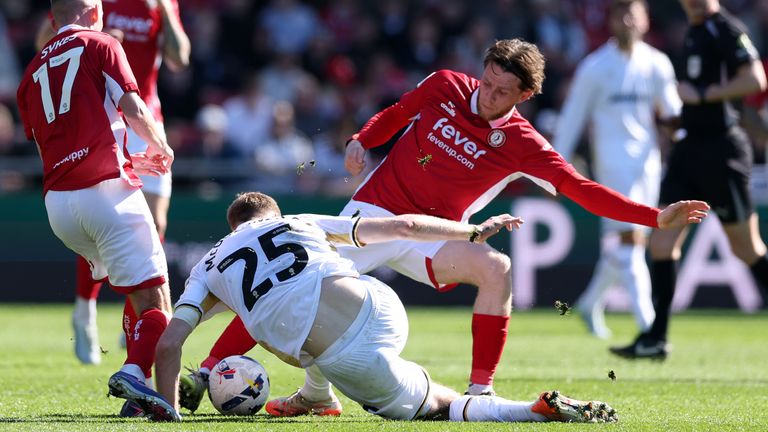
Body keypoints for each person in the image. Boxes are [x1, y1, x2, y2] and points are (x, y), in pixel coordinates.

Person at [177, 38, 709, 415]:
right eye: (489, 82)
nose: (489, 95)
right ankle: (216, 371)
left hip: (436, 232)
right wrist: (363, 139)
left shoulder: (524, 142)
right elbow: (397, 111)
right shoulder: (447, 85)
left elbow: (578, 188)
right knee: (295, 280)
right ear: (482, 71)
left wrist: (652, 215)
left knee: (496, 269)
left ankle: (479, 394)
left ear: (525, 96)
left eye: (504, 92)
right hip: (374, 216)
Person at [152, 191, 621, 424]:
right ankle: (316, 396)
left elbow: (171, 342)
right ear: (271, 215)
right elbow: (404, 226)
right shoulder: (297, 220)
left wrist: (169, 409)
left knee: (442, 406)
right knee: (314, 289)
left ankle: (531, 411)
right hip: (380, 305)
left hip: (345, 355)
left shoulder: (210, 263)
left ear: (231, 225)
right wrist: (473, 231)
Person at [17, 0, 177, 420]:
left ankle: (140, 402)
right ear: (92, 13)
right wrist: (161, 148)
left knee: (134, 290)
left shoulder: (32, 70)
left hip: (59, 206)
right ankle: (134, 373)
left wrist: (124, 157)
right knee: (156, 297)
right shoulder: (100, 42)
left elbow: (47, 144)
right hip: (106, 195)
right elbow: (133, 107)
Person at [611, 0, 768, 360]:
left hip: (722, 153)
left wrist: (704, 95)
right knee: (661, 244)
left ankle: (655, 336)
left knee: (746, 249)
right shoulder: (695, 31)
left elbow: (755, 79)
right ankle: (656, 338)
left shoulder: (725, 29)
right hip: (689, 150)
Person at [552, 0, 682, 339]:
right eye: (619, 13)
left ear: (645, 19)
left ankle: (589, 302)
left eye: (632, 13)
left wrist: (688, 145)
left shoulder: (657, 63)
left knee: (632, 244)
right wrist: (554, 168)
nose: (626, 19)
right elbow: (571, 119)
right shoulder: (594, 67)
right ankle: (650, 326)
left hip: (648, 164)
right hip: (611, 164)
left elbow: (672, 114)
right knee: (630, 240)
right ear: (610, 21)